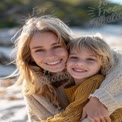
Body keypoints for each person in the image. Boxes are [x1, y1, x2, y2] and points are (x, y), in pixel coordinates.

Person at [12, 15, 122, 122]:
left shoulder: (88, 58)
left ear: (67, 45)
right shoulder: (33, 88)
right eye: (39, 50)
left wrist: (100, 99)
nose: (50, 56)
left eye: (56, 46)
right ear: (29, 56)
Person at [41, 35, 122, 122]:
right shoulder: (76, 85)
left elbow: (73, 116)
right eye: (74, 57)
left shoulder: (93, 82)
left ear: (103, 64)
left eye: (90, 59)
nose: (80, 63)